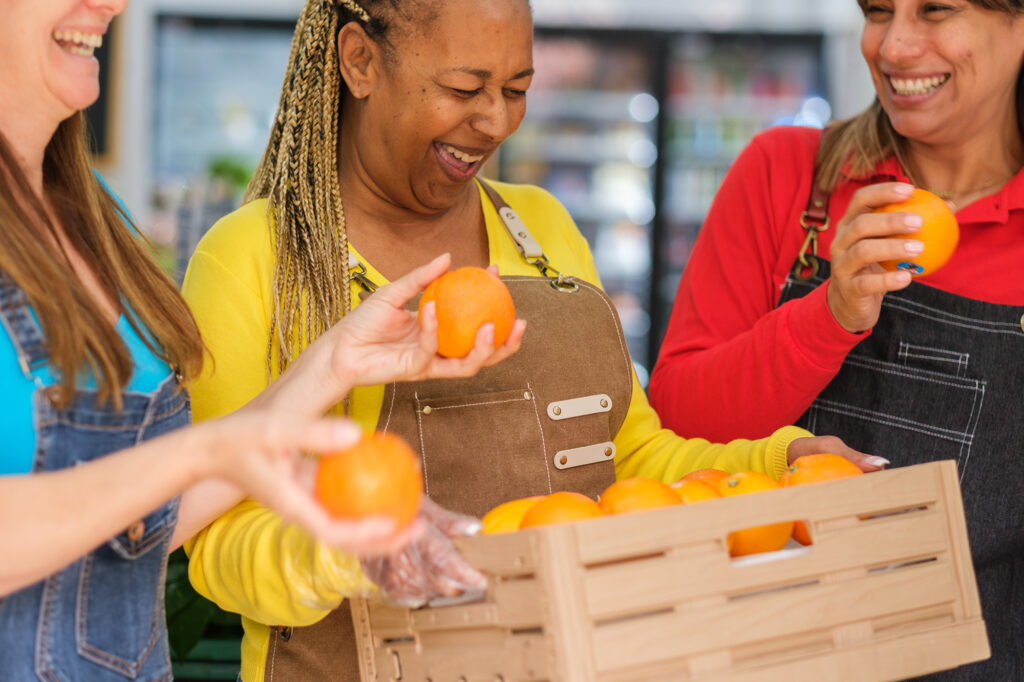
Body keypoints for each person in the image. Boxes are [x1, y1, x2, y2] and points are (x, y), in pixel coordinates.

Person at [180, 1, 887, 680]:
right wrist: (343, 552)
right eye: (464, 88)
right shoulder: (253, 257)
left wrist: (779, 459)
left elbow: (631, 455)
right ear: (360, 61)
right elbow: (217, 545)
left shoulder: (543, 228)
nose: (494, 121)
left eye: (516, 89)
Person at [0, 0, 520, 679]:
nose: (111, 3)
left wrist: (332, 366)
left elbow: (137, 532)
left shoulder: (99, 220)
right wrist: (204, 449)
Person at [649, 1, 1024, 678]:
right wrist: (830, 313)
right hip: (760, 655)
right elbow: (677, 421)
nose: (894, 46)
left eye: (936, 10)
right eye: (879, 11)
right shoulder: (787, 177)